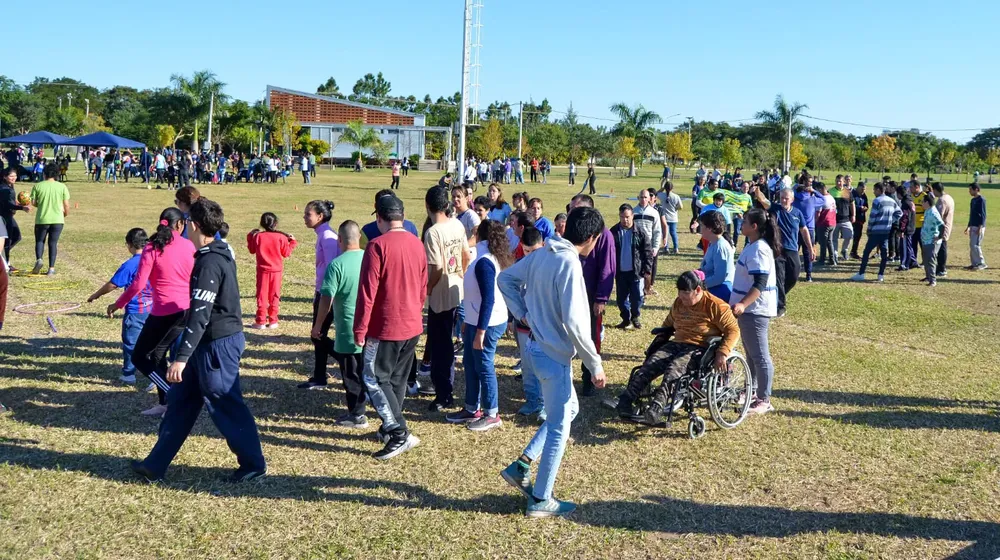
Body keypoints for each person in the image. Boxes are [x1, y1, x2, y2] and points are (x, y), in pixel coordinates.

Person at [131, 198, 266, 484]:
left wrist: (181, 358)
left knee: (225, 402)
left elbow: (201, 313)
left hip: (218, 344)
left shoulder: (210, 261)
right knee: (181, 401)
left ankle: (253, 464)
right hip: (202, 343)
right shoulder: (211, 253)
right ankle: (155, 465)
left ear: (193, 225)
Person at [498, 206, 606, 518]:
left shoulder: (543, 253)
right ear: (592, 237)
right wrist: (595, 364)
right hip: (552, 354)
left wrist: (523, 314)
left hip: (536, 348)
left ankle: (522, 465)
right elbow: (575, 323)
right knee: (560, 426)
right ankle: (541, 498)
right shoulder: (568, 262)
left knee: (568, 410)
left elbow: (505, 279)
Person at [354, 194, 428, 459]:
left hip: (385, 326)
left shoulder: (376, 245)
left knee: (374, 378)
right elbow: (423, 285)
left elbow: (367, 292)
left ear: (379, 218)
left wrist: (359, 329)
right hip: (412, 323)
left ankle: (399, 432)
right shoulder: (417, 243)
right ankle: (390, 425)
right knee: (396, 379)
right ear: (402, 217)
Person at [613, 270, 739, 424]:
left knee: (673, 370)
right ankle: (626, 400)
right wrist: (660, 339)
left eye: (685, 294)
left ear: (698, 290)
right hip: (677, 343)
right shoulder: (679, 302)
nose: (681, 298)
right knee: (650, 364)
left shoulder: (716, 305)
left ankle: (657, 407)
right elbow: (668, 323)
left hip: (700, 347)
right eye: (680, 293)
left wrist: (722, 353)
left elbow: (733, 330)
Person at [110, 208, 195, 416]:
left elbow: (138, 284)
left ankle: (173, 396)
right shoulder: (188, 245)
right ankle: (166, 402)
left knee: (139, 357)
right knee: (157, 355)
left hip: (164, 312)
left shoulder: (152, 247)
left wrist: (118, 304)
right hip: (185, 311)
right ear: (180, 225)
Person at [445, 220, 513, 431]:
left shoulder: (485, 262)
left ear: (481, 236)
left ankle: (492, 413)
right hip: (476, 321)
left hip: (488, 323)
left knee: (484, 365)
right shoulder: (484, 258)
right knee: (470, 362)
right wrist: (468, 321)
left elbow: (488, 299)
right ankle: (471, 407)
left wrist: (481, 331)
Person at [312, 220, 368, 428]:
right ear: (359, 237)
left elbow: (326, 299)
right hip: (370, 327)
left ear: (340, 240)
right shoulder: (370, 259)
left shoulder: (336, 265)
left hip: (348, 328)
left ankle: (357, 414)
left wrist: (318, 325)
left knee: (351, 374)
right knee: (366, 369)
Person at [87, 228, 154, 384]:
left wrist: (96, 295)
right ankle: (154, 375)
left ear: (130, 245)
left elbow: (113, 284)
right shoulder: (154, 259)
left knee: (131, 342)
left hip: (136, 310)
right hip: (154, 309)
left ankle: (129, 374)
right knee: (153, 343)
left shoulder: (131, 264)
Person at [729, 209, 778, 414]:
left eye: (745, 221)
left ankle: (764, 399)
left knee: (760, 356)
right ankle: (751, 390)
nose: (741, 224)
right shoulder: (752, 245)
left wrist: (743, 304)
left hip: (755, 310)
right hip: (749, 311)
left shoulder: (759, 249)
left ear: (754, 227)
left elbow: (760, 283)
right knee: (751, 354)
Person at [424, 186, 468, 411]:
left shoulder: (433, 232)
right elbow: (466, 254)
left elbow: (437, 267)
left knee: (440, 345)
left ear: (428, 206)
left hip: (440, 295)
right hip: (456, 290)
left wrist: (427, 288)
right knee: (446, 343)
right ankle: (445, 388)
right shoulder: (457, 224)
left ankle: (444, 394)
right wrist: (461, 275)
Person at [569, 194, 615, 397]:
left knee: (590, 336)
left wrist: (601, 298)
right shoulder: (570, 231)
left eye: (575, 209)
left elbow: (608, 268)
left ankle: (589, 378)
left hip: (590, 296)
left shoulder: (604, 235)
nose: (571, 212)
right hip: (570, 292)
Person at [300, 200, 341, 389]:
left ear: (320, 216)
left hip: (327, 294)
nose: (304, 217)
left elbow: (333, 268)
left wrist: (326, 296)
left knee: (317, 335)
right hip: (321, 291)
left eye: (308, 214)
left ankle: (347, 359)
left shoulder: (327, 236)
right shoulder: (323, 234)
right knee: (318, 335)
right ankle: (319, 376)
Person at [752, 188, 811, 317]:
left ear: (792, 199)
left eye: (786, 198)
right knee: (779, 277)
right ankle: (780, 306)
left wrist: (810, 248)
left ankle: (777, 294)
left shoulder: (797, 213)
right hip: (777, 249)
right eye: (782, 198)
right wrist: (757, 191)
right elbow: (763, 200)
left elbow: (804, 230)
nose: (784, 200)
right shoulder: (775, 209)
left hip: (792, 249)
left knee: (794, 275)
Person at [246, 213, 298, 329]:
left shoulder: (258, 236)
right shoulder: (281, 237)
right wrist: (293, 243)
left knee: (262, 295)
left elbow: (252, 250)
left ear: (262, 224)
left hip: (262, 271)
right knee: (274, 295)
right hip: (276, 271)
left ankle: (261, 320)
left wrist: (250, 236)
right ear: (275, 224)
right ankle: (273, 320)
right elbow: (286, 253)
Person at [611, 204, 653, 330]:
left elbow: (647, 252)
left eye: (627, 217)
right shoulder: (613, 232)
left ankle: (635, 317)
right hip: (620, 272)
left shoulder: (640, 232)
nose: (625, 220)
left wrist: (647, 269)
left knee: (637, 298)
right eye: (622, 217)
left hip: (636, 272)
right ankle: (625, 319)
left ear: (632, 216)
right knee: (621, 299)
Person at [851, 183, 902, 283]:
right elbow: (899, 213)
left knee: (866, 252)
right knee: (884, 254)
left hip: (876, 231)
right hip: (886, 231)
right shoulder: (891, 201)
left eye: (874, 190)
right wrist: (890, 221)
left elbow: (873, 217)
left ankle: (861, 273)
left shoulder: (877, 201)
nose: (873, 192)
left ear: (879, 190)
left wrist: (869, 229)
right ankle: (880, 275)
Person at [29, 164, 70, 276]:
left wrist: (41, 204)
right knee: (53, 243)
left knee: (39, 241)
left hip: (42, 219)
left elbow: (33, 202)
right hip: (57, 219)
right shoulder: (62, 187)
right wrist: (65, 214)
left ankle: (39, 259)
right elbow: (66, 205)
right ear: (57, 174)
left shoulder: (38, 186)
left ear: (44, 173)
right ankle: (51, 268)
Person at [698, 211, 735, 301]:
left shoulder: (720, 247)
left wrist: (698, 284)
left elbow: (719, 278)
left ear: (709, 228)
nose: (700, 229)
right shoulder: (713, 243)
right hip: (713, 287)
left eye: (702, 226)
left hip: (720, 290)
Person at [0, 167, 29, 272]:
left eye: (15, 175)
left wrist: (18, 203)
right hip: (4, 217)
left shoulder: (9, 186)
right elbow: (7, 204)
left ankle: (4, 260)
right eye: (11, 176)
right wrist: (22, 208)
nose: (14, 178)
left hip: (9, 216)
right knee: (8, 240)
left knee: (16, 237)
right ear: (5, 177)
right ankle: (6, 264)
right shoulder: (4, 188)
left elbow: (9, 201)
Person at [920, 194, 944, 287]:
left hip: (932, 241)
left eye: (922, 202)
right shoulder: (927, 211)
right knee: (925, 259)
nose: (921, 204)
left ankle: (933, 280)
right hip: (925, 240)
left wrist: (939, 237)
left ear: (927, 202)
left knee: (931, 260)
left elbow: (942, 225)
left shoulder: (934, 213)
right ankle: (928, 277)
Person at [932, 183, 954, 277]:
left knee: (941, 248)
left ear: (935, 190)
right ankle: (940, 267)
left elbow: (939, 215)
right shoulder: (949, 197)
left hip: (942, 227)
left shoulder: (942, 200)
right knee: (942, 247)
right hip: (947, 225)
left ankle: (942, 269)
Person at [964, 183, 987, 270]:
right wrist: (968, 226)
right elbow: (972, 214)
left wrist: (980, 227)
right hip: (973, 225)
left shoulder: (981, 200)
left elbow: (983, 215)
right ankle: (974, 263)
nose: (969, 191)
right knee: (972, 245)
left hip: (978, 226)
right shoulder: (973, 200)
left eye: (971, 189)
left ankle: (982, 263)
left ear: (976, 189)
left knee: (976, 245)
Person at [815, 182, 838, 266]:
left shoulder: (822, 199)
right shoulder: (831, 197)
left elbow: (818, 213)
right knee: (829, 241)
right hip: (832, 223)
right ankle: (832, 260)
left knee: (823, 243)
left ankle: (822, 260)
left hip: (824, 223)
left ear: (820, 189)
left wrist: (815, 222)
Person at [657, 180, 683, 254]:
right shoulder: (676, 196)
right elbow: (681, 206)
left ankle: (666, 248)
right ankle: (676, 248)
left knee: (665, 234)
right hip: (673, 218)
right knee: (674, 233)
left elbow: (656, 193)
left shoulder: (662, 195)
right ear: (672, 188)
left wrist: (662, 188)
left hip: (664, 217)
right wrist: (675, 208)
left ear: (665, 188)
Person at [833, 184, 855, 262]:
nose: (839, 183)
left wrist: (853, 215)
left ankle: (844, 250)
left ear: (843, 182)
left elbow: (852, 204)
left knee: (849, 236)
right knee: (834, 238)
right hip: (834, 220)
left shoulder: (847, 192)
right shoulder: (831, 191)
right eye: (837, 181)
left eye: (840, 181)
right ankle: (834, 254)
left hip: (846, 219)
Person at [849, 182, 869, 259]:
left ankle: (853, 252)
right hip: (852, 218)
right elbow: (850, 205)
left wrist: (865, 208)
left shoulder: (864, 195)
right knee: (848, 236)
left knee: (857, 236)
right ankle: (845, 251)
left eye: (864, 189)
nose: (863, 191)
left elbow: (866, 205)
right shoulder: (852, 194)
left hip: (860, 219)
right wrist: (860, 208)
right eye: (862, 189)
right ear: (858, 187)